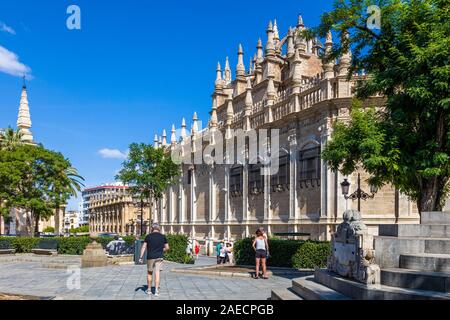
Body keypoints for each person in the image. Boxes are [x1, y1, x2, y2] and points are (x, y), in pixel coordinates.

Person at [139, 223, 169, 296]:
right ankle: (156, 291)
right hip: (159, 257)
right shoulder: (163, 236)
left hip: (150, 257)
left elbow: (143, 247)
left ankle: (149, 290)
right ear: (159, 228)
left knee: (149, 273)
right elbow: (167, 248)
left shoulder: (148, 236)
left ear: (152, 228)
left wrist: (140, 257)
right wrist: (161, 250)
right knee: (157, 273)